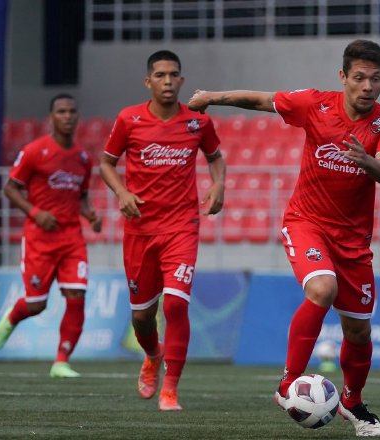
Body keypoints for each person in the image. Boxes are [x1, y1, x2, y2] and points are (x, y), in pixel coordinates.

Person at [188, 39, 380, 437]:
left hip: (354, 241)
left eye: (375, 79)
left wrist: (367, 161)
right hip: (306, 222)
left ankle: (353, 403)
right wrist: (211, 97)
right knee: (322, 288)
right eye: (359, 78)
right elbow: (261, 100)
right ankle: (288, 382)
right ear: (343, 77)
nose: (367, 87)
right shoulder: (315, 104)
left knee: (359, 331)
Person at [99, 50, 226, 411]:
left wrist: (219, 185)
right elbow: (106, 164)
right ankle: (152, 355)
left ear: (182, 81)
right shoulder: (129, 119)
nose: (168, 81)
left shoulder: (197, 123)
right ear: (148, 81)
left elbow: (216, 158)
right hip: (139, 231)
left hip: (181, 227)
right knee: (141, 316)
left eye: (174, 75)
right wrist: (121, 191)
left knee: (175, 304)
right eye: (160, 75)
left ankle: (170, 388)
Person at [0, 94, 102, 378]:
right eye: (61, 112)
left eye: (72, 111)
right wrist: (35, 212)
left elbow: (82, 197)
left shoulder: (83, 158)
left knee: (76, 295)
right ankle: (14, 315)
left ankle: (61, 361)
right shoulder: (34, 151)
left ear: (78, 117)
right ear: (51, 118)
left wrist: (90, 214)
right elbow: (11, 188)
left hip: (72, 239)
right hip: (40, 238)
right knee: (37, 304)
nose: (67, 116)